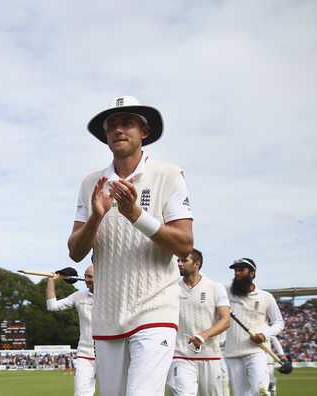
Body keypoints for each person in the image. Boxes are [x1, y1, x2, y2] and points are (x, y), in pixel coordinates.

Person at [68, 96, 194, 396]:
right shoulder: (91, 183)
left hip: (155, 309)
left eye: (127, 123)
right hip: (108, 314)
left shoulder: (168, 174)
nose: (118, 130)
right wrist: (96, 217)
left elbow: (185, 244)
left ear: (144, 132)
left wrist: (136, 215)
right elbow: (75, 251)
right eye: (112, 125)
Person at [166, 249, 230, 396]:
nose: (179, 264)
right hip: (180, 356)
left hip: (211, 356)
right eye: (178, 261)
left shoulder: (215, 287)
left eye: (184, 260)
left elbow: (226, 320)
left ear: (197, 264)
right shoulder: (172, 288)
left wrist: (204, 335)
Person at [223, 258, 284, 396]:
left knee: (259, 389)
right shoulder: (225, 292)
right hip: (232, 354)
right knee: (240, 394)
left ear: (252, 273)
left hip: (256, 352)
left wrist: (264, 335)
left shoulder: (266, 297)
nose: (237, 273)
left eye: (241, 270)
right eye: (235, 270)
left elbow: (279, 323)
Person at [46, 265, 96, 396]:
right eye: (85, 276)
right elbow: (52, 306)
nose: (85, 280)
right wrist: (51, 281)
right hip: (85, 355)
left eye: (89, 276)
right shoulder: (79, 296)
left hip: (109, 354)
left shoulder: (114, 296)